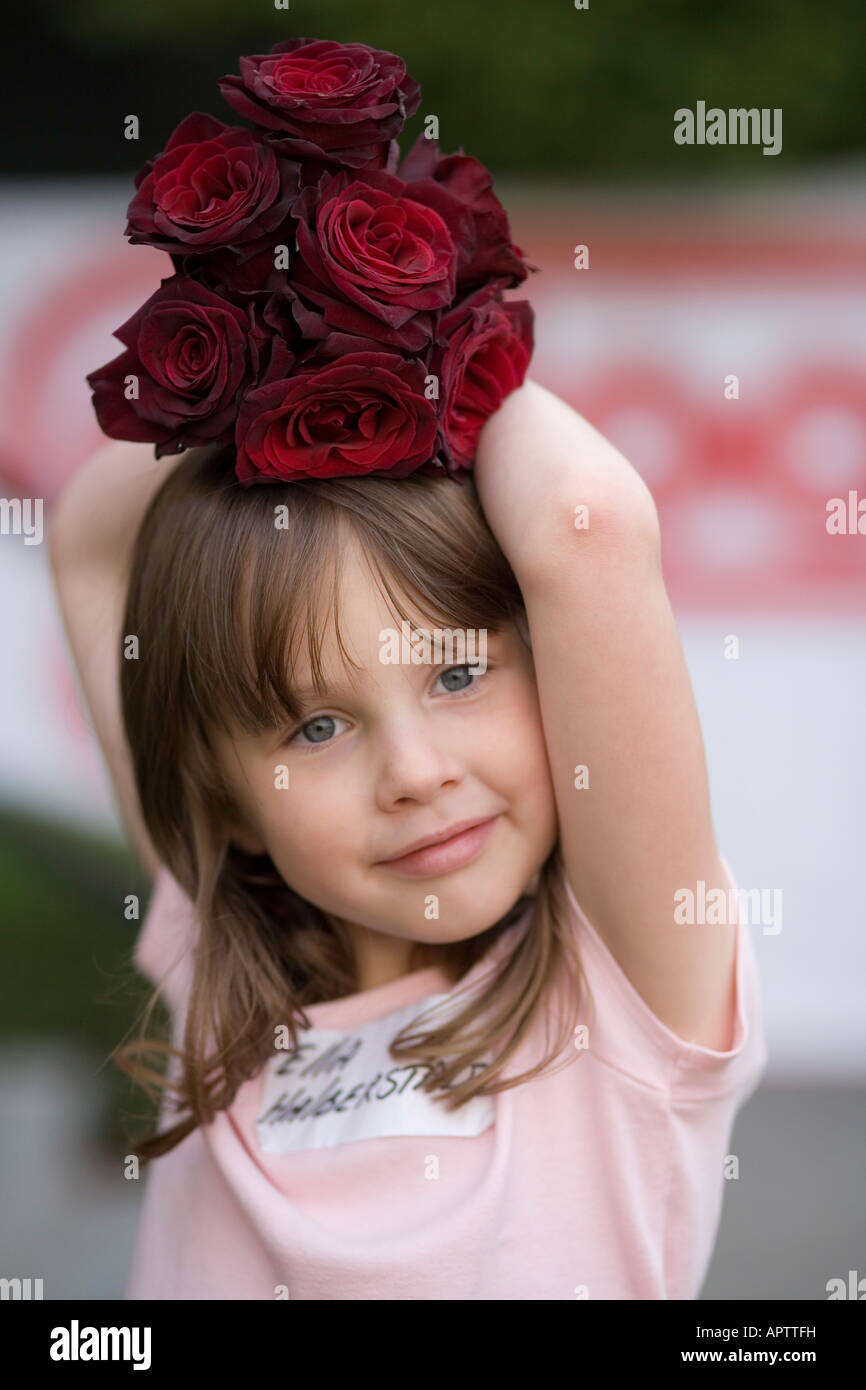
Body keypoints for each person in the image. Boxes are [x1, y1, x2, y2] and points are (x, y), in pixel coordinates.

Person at [47, 38, 767, 1300]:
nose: (415, 774)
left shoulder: (624, 988)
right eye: (314, 729)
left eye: (453, 676)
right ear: (214, 795)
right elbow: (97, 536)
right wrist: (260, 335)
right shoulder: (220, 964)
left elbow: (583, 527)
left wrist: (403, 324)